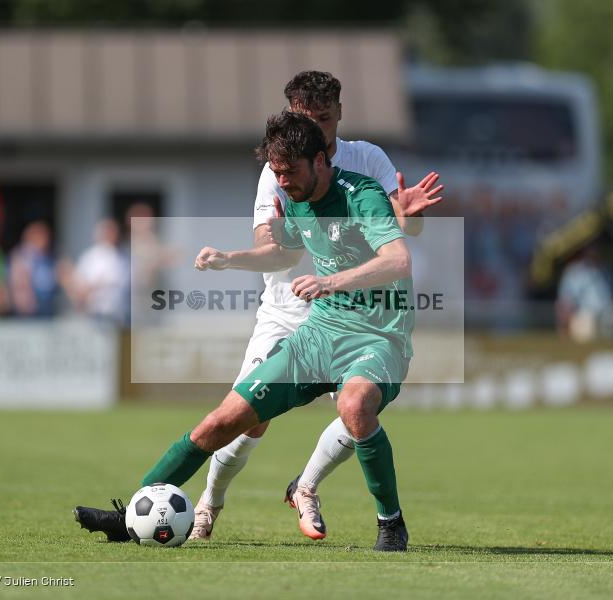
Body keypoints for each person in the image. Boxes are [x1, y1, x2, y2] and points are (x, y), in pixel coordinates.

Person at [76, 111, 416, 551]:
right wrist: (229, 258)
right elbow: (284, 254)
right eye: (276, 172)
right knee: (218, 424)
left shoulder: (362, 194)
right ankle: (128, 517)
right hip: (321, 333)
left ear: (319, 160)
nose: (282, 181)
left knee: (354, 405)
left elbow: (397, 260)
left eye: (289, 171)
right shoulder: (294, 197)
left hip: (378, 334)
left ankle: (390, 523)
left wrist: (330, 281)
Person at [187, 71, 441, 542]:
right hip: (286, 308)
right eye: (306, 119)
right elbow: (274, 246)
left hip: (351, 309)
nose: (317, 129)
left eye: (324, 118)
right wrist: (234, 257)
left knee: (358, 408)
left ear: (339, 114)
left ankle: (305, 487)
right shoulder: (278, 169)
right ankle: (208, 504)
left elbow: (397, 233)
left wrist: (409, 217)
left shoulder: (368, 160)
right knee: (250, 420)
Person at [65, 219, 127, 324]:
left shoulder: (119, 257)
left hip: (114, 313)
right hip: (92, 313)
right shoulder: (89, 256)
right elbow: (78, 284)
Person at [8, 221, 59, 318]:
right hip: (30, 304)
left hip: (46, 302)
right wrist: (25, 299)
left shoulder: (48, 256)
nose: (45, 240)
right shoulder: (23, 255)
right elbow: (19, 281)